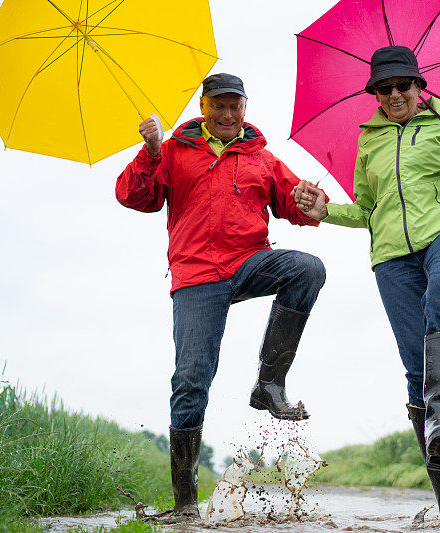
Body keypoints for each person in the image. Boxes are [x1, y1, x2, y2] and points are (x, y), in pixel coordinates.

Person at [293, 46, 440, 529]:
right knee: (414, 365)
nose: (392, 95)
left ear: (418, 86)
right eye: (382, 89)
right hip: (390, 257)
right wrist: (326, 211)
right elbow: (368, 209)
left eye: (401, 86)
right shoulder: (368, 141)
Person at [116, 73, 326, 522]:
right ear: (204, 107)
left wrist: (311, 199)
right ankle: (186, 501)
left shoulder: (261, 158)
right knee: (192, 379)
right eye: (220, 106)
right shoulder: (172, 151)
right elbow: (135, 197)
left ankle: (269, 384)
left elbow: (297, 204)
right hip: (196, 275)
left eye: (236, 106)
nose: (228, 115)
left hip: (249, 261)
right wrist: (151, 153)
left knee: (307, 268)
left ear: (245, 108)